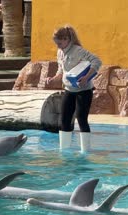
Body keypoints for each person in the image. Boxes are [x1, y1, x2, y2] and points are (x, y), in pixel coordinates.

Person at [45, 25, 102, 153]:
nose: (58, 46)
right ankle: (64, 151)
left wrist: (87, 77)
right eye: (56, 44)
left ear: (66, 39)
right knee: (64, 120)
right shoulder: (60, 52)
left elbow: (97, 61)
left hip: (84, 91)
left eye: (59, 43)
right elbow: (62, 69)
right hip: (69, 90)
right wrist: (54, 78)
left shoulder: (78, 50)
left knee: (81, 119)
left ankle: (85, 152)